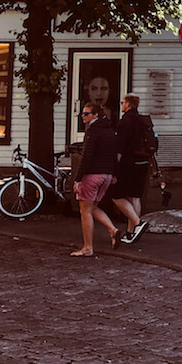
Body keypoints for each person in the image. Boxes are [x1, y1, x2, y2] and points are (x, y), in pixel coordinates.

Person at [70, 102, 122, 256]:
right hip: (105, 176)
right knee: (93, 207)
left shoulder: (92, 131)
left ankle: (87, 248)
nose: (83, 116)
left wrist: (77, 179)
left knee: (85, 210)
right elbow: (114, 155)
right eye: (82, 113)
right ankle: (113, 229)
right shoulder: (110, 131)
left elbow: (87, 156)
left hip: (92, 175)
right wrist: (114, 174)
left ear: (95, 115)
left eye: (86, 114)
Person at [114, 94, 150, 245]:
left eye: (122, 102)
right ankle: (131, 232)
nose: (121, 104)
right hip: (143, 162)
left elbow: (120, 146)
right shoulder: (143, 121)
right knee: (135, 196)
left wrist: (114, 167)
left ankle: (137, 223)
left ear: (128, 104)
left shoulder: (124, 122)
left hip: (128, 163)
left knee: (117, 195)